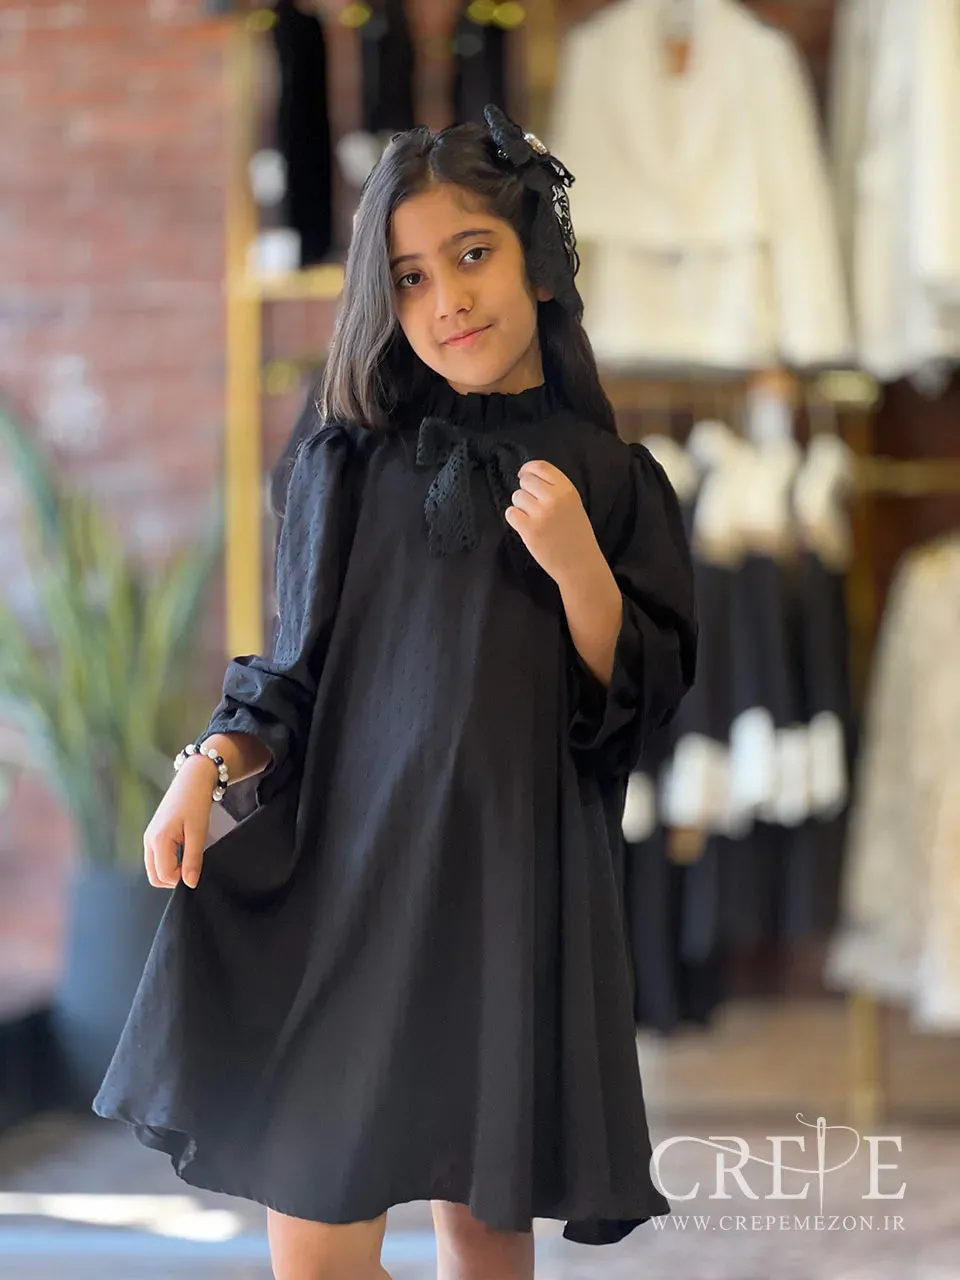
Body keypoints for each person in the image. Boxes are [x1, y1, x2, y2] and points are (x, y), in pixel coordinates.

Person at [93, 105, 697, 1280]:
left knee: (483, 1241)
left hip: (510, 898)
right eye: (410, 276)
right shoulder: (346, 456)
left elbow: (637, 699)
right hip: (350, 887)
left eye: (472, 255)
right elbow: (291, 677)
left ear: (537, 259)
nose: (446, 301)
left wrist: (579, 566)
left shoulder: (611, 479)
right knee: (316, 1254)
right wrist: (205, 769)